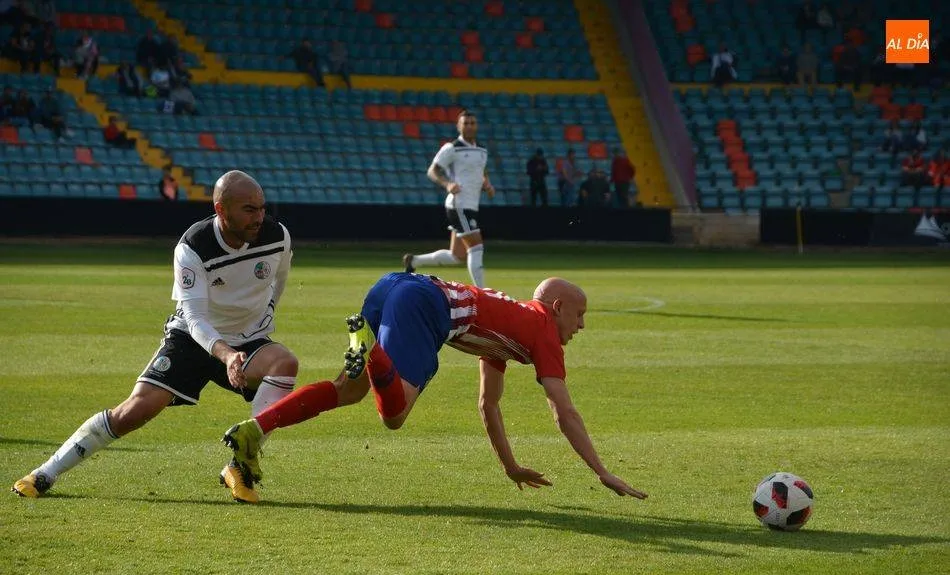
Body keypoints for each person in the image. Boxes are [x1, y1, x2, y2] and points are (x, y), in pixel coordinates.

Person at [221, 274, 648, 502]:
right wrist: (602, 471)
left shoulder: (514, 324)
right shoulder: (545, 335)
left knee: (348, 390)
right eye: (580, 315)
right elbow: (563, 410)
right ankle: (372, 353)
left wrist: (510, 466)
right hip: (427, 304)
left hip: (395, 284)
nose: (582, 326)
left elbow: (489, 405)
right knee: (394, 416)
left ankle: (256, 428)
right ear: (557, 309)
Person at [12, 171, 299, 504]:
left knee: (285, 363)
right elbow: (194, 317)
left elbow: (279, 279)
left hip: (247, 340)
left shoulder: (277, 235)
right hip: (193, 338)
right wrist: (224, 353)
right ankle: (46, 472)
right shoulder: (192, 247)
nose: (260, 217)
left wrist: (267, 314)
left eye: (262, 208)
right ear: (222, 210)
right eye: (250, 209)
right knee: (134, 412)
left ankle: (239, 467)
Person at [402, 110, 494, 288]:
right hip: (458, 204)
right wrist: (447, 184)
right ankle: (482, 292)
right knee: (476, 246)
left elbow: (481, 170)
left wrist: (487, 184)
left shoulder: (481, 150)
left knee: (457, 256)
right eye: (465, 123)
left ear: (476, 126)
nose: (469, 126)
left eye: (472, 123)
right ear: (458, 126)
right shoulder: (451, 148)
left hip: (471, 204)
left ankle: (414, 261)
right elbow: (432, 171)